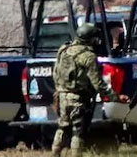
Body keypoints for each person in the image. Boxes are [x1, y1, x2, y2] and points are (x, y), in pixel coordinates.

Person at [51, 23, 129, 157]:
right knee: (78, 131)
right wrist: (115, 97)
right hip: (78, 98)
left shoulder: (64, 49)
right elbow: (98, 84)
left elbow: (55, 72)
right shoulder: (88, 56)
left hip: (62, 95)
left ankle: (55, 153)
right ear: (90, 39)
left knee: (63, 126)